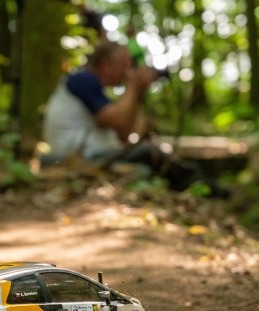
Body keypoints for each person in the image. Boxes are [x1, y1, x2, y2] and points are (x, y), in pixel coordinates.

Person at [42, 41, 230, 198]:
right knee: (150, 152)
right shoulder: (83, 80)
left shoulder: (92, 87)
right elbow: (117, 123)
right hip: (80, 155)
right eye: (124, 65)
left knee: (152, 151)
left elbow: (125, 133)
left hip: (90, 153)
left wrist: (137, 91)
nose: (127, 72)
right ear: (106, 65)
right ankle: (204, 188)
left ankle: (202, 186)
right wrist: (132, 86)